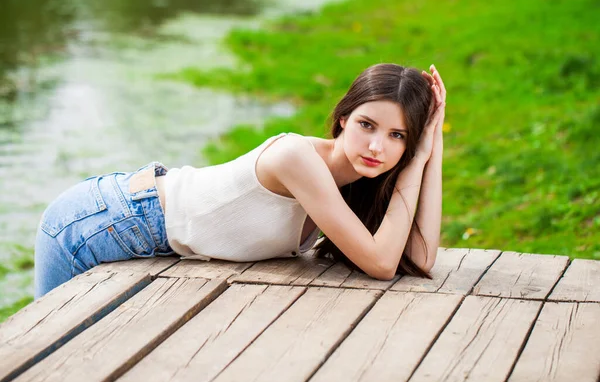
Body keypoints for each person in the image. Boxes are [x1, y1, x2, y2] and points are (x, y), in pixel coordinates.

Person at [34, 63, 446, 298]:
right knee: (49, 353)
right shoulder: (296, 158)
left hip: (148, 235)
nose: (377, 146)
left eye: (398, 136)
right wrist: (415, 160)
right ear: (343, 118)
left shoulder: (356, 180)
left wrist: (431, 149)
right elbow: (379, 263)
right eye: (367, 125)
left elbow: (419, 258)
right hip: (104, 221)